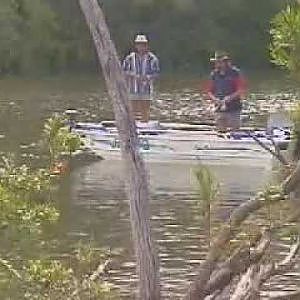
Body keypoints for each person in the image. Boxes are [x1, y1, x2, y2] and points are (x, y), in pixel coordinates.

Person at [122, 34, 160, 123]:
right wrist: (133, 75)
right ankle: (132, 126)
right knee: (132, 110)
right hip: (133, 88)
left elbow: (156, 73)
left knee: (145, 110)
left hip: (146, 88)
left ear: (146, 45)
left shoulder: (152, 58)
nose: (141, 47)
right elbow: (123, 71)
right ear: (136, 46)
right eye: (139, 44)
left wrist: (147, 77)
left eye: (143, 44)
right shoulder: (129, 58)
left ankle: (144, 126)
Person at [206, 51, 246, 132]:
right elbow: (209, 91)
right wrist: (214, 99)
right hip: (219, 108)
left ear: (225, 63)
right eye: (216, 62)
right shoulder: (214, 74)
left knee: (235, 132)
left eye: (219, 62)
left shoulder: (235, 73)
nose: (217, 64)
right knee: (220, 131)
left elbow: (241, 89)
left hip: (234, 108)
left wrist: (230, 98)